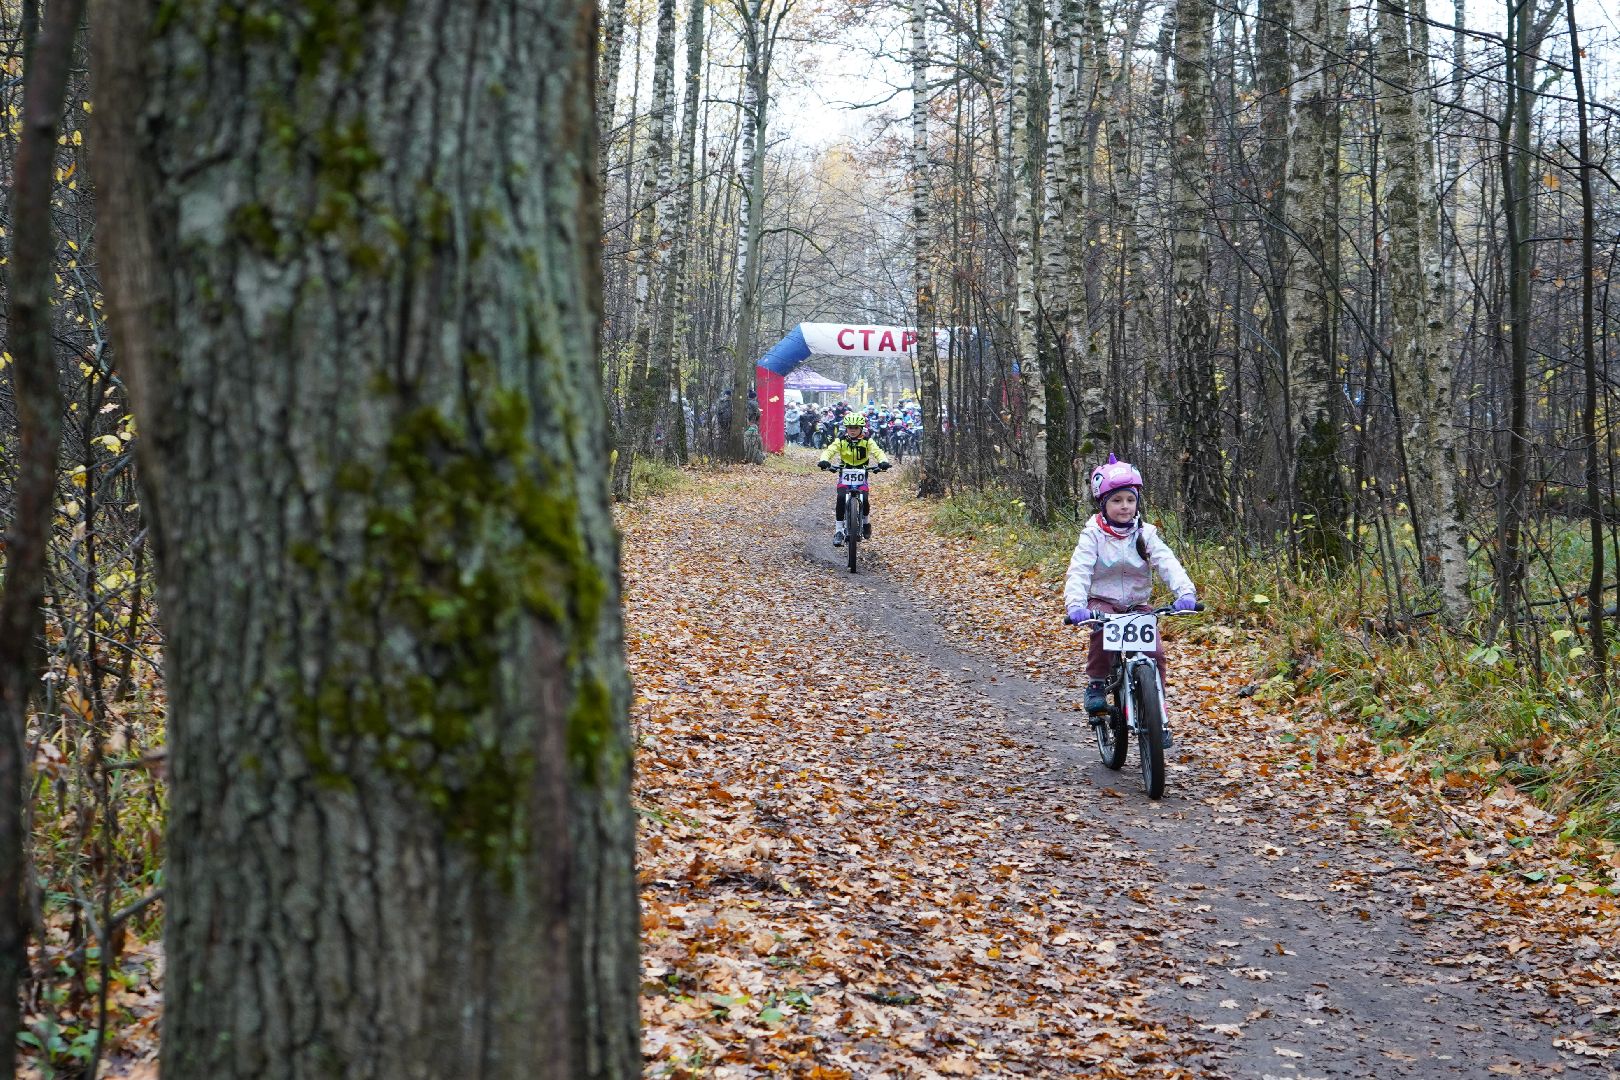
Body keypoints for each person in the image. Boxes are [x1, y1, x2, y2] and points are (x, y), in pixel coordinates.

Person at [1063, 454, 1198, 723]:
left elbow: (1166, 562)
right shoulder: (1093, 535)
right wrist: (1075, 605)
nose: (1124, 506)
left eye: (1130, 499)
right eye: (1116, 500)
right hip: (1102, 600)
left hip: (1137, 603)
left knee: (1156, 653)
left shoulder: (1145, 534)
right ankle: (1097, 684)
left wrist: (1185, 593)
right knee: (1102, 634)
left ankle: (1156, 706)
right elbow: (1080, 569)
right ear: (1103, 504)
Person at [817, 412, 892, 546]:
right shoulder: (841, 440)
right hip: (844, 472)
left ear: (861, 428)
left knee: (865, 497)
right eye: (850, 427)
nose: (852, 430)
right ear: (846, 428)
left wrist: (883, 461)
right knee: (840, 498)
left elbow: (878, 451)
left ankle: (866, 523)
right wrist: (824, 460)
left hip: (861, 472)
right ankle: (839, 531)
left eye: (856, 427)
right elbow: (830, 450)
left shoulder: (867, 441)